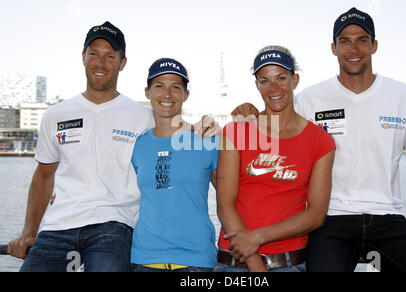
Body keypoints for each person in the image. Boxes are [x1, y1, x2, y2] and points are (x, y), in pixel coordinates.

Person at [232, 8, 406, 272]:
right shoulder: (311, 98)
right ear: (334, 48)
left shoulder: (403, 95)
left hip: (390, 217)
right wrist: (248, 109)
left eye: (362, 40)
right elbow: (276, 120)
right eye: (345, 41)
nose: (353, 48)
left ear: (374, 45)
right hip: (331, 219)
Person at [8, 22, 219, 272]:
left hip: (113, 226)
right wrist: (28, 232)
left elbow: (176, 124)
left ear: (122, 62)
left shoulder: (142, 115)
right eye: (94, 53)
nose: (100, 63)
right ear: (83, 57)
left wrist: (208, 123)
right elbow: (44, 176)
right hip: (57, 228)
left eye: (110, 56)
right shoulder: (56, 114)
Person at [215, 46, 336, 272]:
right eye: (265, 81)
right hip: (235, 264)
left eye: (281, 78)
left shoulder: (321, 141)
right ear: (257, 85)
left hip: (290, 263)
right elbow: (224, 204)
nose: (274, 88)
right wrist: (255, 263)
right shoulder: (236, 132)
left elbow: (316, 214)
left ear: (295, 79)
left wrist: (258, 237)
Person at [131, 58, 218, 272]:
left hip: (196, 261)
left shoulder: (208, 140)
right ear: (147, 92)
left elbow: (232, 199)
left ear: (186, 94)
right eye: (159, 86)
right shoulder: (137, 145)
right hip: (144, 260)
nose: (167, 94)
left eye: (175, 87)